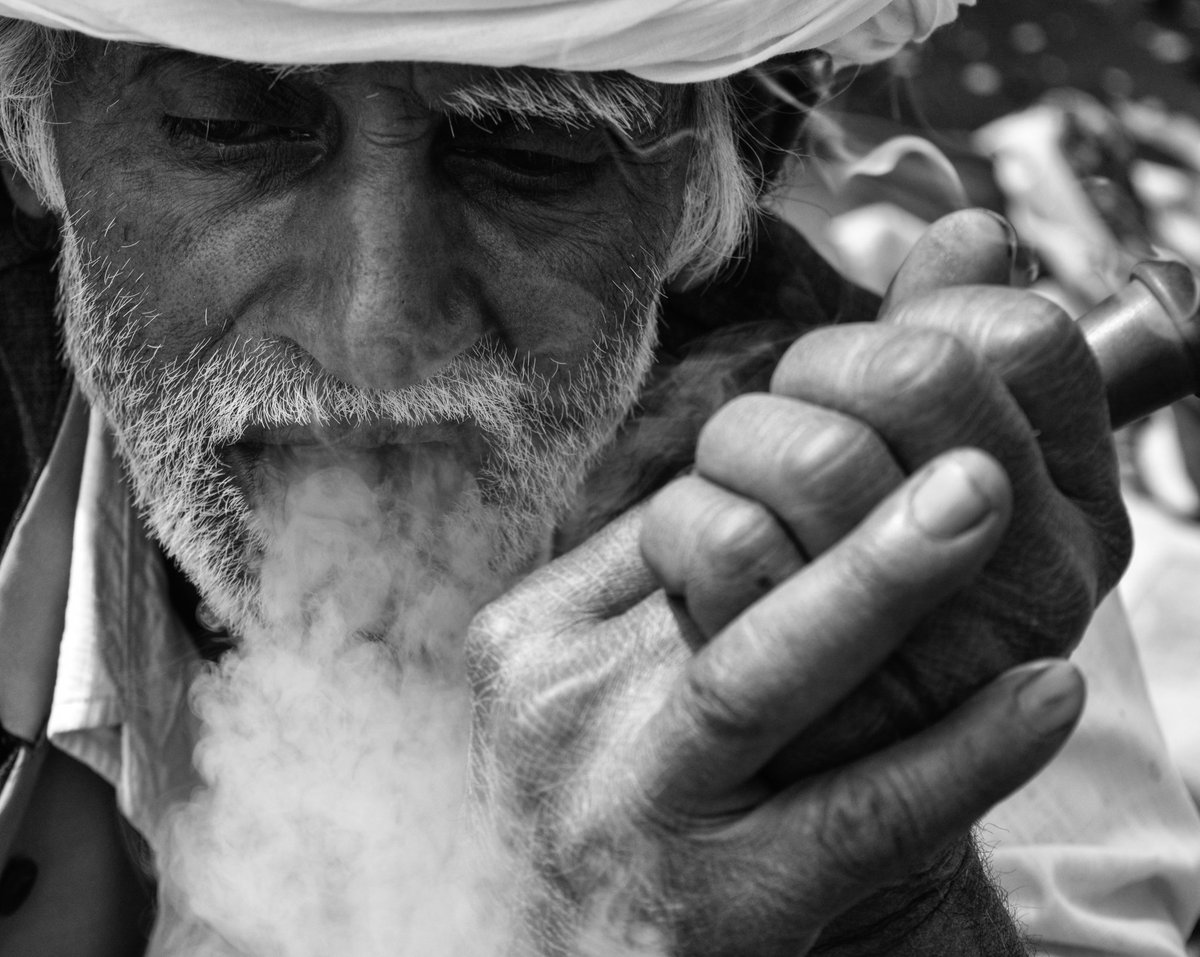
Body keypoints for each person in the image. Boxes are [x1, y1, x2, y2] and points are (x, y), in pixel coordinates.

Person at [0, 2, 1192, 955]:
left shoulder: (896, 503)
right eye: (226, 131)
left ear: (712, 181)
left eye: (530, 150)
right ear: (28, 129)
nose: (379, 331)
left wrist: (878, 905)